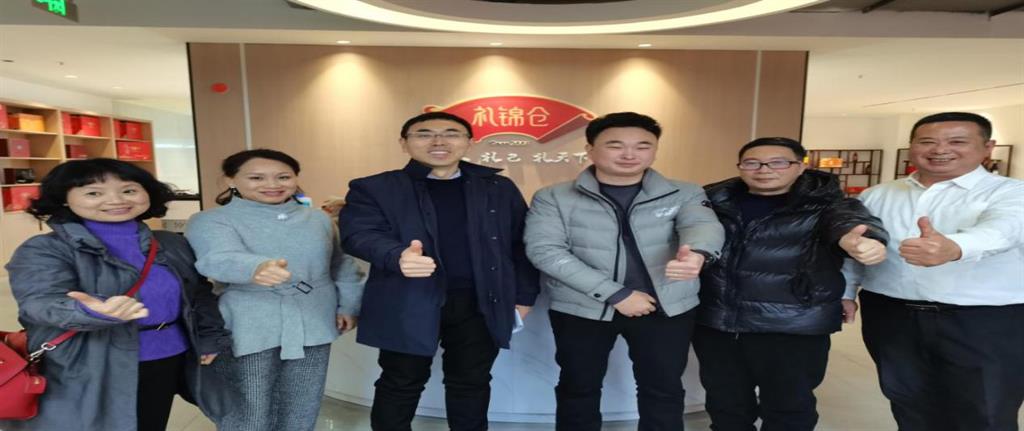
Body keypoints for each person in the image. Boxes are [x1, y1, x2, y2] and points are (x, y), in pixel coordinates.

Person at [338, 111, 539, 431]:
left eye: (451, 133)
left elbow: (520, 243)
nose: (439, 141)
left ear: (469, 142)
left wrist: (525, 295)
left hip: (480, 302)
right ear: (404, 143)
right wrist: (397, 255)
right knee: (400, 381)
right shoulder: (375, 187)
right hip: (406, 299)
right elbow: (358, 234)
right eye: (424, 134)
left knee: (471, 382)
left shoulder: (497, 187)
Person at [524, 111, 725, 431]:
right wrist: (617, 294)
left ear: (655, 150)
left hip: (665, 305)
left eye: (643, 146)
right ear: (590, 150)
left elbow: (702, 225)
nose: (630, 154)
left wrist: (698, 254)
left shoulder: (684, 192)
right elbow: (545, 250)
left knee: (663, 388)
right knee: (579, 386)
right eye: (615, 145)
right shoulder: (554, 197)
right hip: (583, 308)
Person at [2, 158, 232, 431]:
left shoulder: (170, 243)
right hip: (87, 362)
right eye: (93, 193)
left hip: (167, 356)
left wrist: (209, 338)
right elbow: (39, 302)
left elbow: (198, 295)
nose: (116, 200)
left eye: (129, 190)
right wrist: (89, 310)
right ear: (64, 199)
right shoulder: (44, 248)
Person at [844, 112, 1024, 431]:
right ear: (912, 147)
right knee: (909, 404)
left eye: (957, 141)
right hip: (891, 315)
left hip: (983, 320)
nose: (940, 149)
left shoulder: (1010, 192)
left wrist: (954, 247)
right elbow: (857, 247)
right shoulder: (878, 194)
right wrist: (846, 291)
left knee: (985, 411)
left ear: (988, 147)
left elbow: (1004, 230)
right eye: (927, 141)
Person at [694, 137, 889, 431]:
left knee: (788, 407)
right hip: (718, 321)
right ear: (740, 166)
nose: (764, 170)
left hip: (791, 324)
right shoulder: (712, 201)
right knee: (725, 404)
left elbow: (850, 223)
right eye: (752, 163)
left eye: (778, 162)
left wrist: (864, 241)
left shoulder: (828, 204)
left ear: (800, 166)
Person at [184, 149, 363, 431]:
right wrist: (255, 268)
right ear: (231, 180)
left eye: (283, 177)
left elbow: (341, 264)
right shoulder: (210, 220)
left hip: (313, 318)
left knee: (303, 402)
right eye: (256, 178)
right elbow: (216, 258)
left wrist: (349, 306)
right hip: (247, 322)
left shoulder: (318, 219)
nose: (272, 184)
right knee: (248, 407)